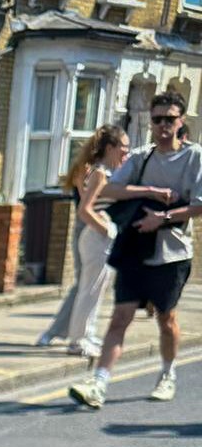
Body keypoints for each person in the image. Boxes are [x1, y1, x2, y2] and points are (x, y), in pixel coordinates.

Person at [69, 90, 201, 408]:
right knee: (119, 318)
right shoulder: (141, 157)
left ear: (181, 121)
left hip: (172, 252)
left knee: (166, 318)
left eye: (170, 119)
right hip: (135, 250)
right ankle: (98, 384)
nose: (163, 126)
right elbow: (109, 188)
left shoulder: (194, 156)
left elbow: (199, 205)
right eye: (157, 120)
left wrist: (163, 218)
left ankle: (167, 374)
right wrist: (149, 190)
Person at [36, 125, 129, 358]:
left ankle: (84, 336)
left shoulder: (97, 171)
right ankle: (75, 339)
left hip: (93, 234)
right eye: (124, 149)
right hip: (94, 236)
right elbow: (84, 210)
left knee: (92, 289)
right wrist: (107, 230)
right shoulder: (97, 173)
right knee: (87, 289)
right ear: (110, 147)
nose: (126, 154)